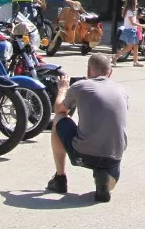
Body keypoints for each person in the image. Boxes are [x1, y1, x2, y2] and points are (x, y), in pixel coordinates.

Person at [47, 52, 129, 202]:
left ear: (89, 70)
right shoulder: (121, 90)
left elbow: (59, 108)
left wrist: (63, 89)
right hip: (114, 156)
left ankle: (60, 178)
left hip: (84, 154)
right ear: (110, 72)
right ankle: (104, 179)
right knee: (108, 135)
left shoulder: (80, 86)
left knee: (60, 118)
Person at [114, 0, 143, 65]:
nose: (137, 3)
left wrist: (138, 23)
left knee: (136, 46)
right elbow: (132, 22)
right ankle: (115, 57)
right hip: (129, 31)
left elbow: (135, 20)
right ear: (132, 3)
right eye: (136, 2)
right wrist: (142, 25)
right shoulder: (129, 11)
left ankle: (135, 62)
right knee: (129, 47)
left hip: (133, 30)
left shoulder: (133, 11)